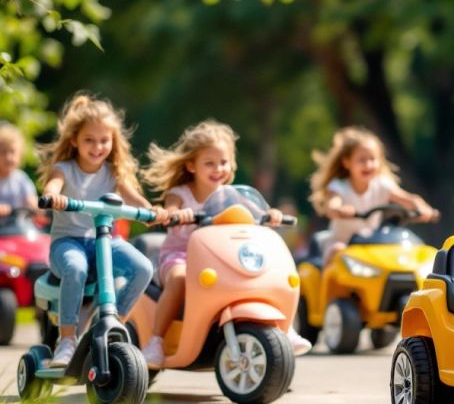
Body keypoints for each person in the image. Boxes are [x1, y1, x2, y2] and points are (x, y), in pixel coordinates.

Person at [139, 120, 310, 367]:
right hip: (181, 256)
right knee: (178, 280)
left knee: (270, 277)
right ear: (191, 165)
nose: (218, 168)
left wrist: (270, 214)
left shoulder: (232, 195)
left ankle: (284, 330)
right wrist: (178, 214)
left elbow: (255, 211)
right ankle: (156, 340)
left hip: (219, 259)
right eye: (209, 163)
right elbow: (171, 210)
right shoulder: (181, 193)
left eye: (224, 162)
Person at [38, 93, 167, 367]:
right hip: (68, 243)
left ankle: (111, 323)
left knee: (143, 267)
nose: (97, 147)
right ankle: (68, 339)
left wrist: (150, 211)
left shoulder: (112, 173)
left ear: (113, 141)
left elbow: (134, 198)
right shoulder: (65, 168)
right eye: (89, 140)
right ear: (74, 140)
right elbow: (53, 186)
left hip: (103, 243)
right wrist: (54, 196)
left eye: (104, 141)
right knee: (76, 268)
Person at [308, 126, 439, 264]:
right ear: (346, 163)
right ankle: (330, 283)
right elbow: (332, 206)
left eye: (372, 159)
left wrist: (423, 209)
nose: (368, 164)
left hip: (370, 244)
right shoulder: (339, 186)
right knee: (337, 251)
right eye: (362, 160)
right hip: (343, 242)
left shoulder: (382, 185)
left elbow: (409, 199)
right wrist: (339, 210)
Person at [0, 123, 38, 215]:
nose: (8, 157)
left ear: (20, 155)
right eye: (3, 152)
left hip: (18, 224)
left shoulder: (21, 179)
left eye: (12, 152)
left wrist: (33, 203)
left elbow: (31, 198)